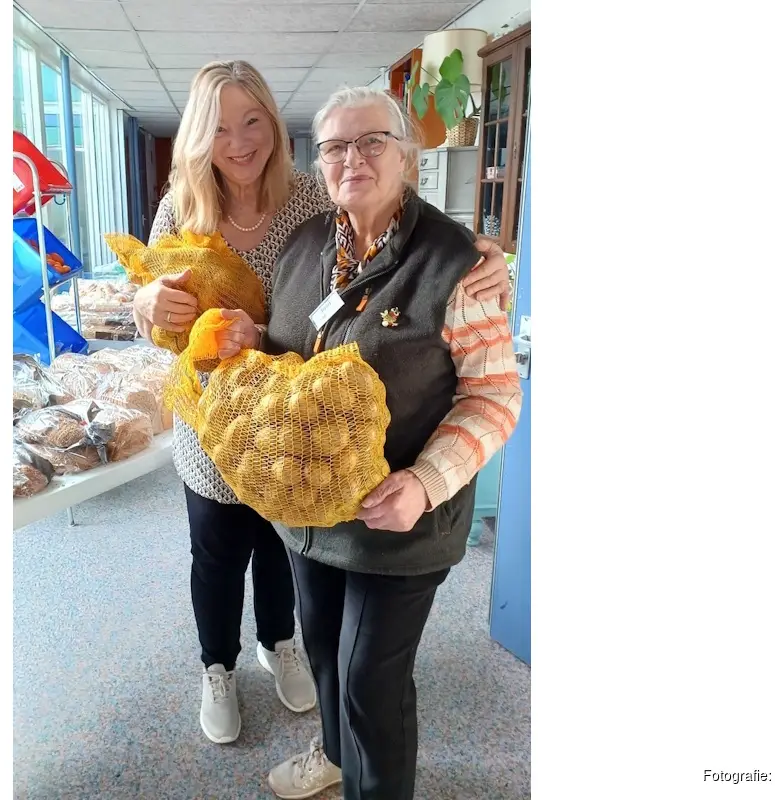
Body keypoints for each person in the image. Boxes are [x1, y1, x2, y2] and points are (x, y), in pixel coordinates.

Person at [132, 61, 513, 747]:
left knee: (286, 546)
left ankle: (279, 644)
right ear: (197, 137)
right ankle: (217, 666)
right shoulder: (178, 210)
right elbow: (158, 322)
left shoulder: (310, 197)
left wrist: (477, 254)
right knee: (217, 554)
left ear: (277, 128)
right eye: (220, 128)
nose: (239, 142)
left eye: (253, 121)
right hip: (215, 427)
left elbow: (386, 228)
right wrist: (144, 305)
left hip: (302, 435)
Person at [217, 85, 524, 798]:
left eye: (371, 141)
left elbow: (494, 396)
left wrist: (425, 483)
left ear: (406, 156)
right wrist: (251, 339)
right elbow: (294, 350)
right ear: (319, 163)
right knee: (325, 653)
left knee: (368, 682)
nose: (351, 158)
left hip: (403, 523)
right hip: (313, 516)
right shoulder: (303, 248)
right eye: (334, 147)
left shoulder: (458, 264)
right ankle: (334, 756)